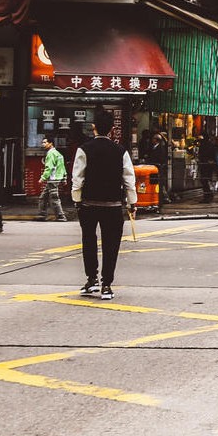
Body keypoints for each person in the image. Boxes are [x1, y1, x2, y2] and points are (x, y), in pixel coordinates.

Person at [70, 110, 137, 299]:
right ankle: (107, 284)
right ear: (112, 130)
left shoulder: (84, 149)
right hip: (113, 205)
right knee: (111, 244)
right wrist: (132, 203)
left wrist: (77, 200)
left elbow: (78, 178)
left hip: (89, 204)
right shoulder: (121, 151)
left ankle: (91, 280)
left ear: (94, 128)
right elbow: (129, 179)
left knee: (88, 241)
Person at [37, 135, 68, 221]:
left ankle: (61, 216)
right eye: (42, 142)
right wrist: (64, 178)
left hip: (53, 179)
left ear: (51, 143)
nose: (43, 144)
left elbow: (49, 168)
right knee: (43, 197)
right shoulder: (58, 153)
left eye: (45, 142)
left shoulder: (50, 154)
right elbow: (62, 167)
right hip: (56, 178)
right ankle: (41, 215)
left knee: (54, 198)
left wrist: (43, 178)